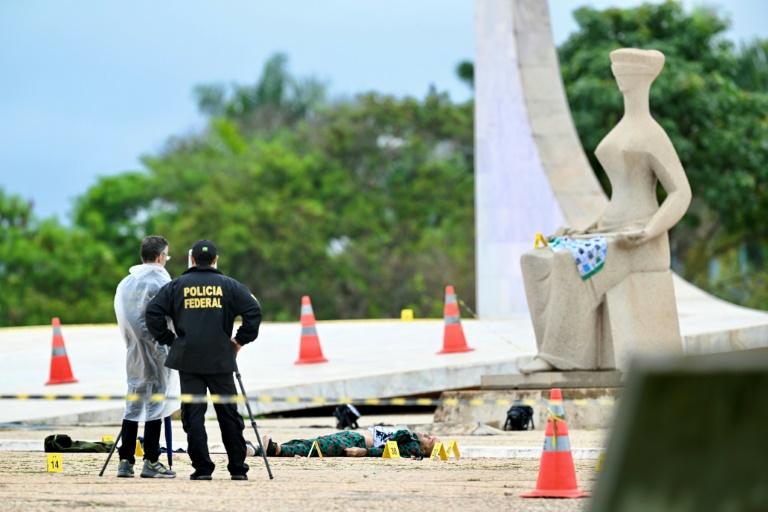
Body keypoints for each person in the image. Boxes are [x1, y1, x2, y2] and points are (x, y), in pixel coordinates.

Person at [519, 48, 692, 373]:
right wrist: (586, 228)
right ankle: (559, 347)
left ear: (644, 78)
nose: (621, 77)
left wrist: (649, 231)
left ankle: (559, 356)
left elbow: (681, 192)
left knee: (570, 262)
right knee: (534, 259)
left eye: (627, 71)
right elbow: (617, 197)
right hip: (608, 231)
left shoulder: (653, 134)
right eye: (618, 71)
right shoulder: (620, 129)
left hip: (639, 242)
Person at [146, 239, 262, 481]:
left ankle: (202, 469)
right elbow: (253, 311)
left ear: (193, 259)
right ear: (215, 260)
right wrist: (238, 341)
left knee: (194, 415)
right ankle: (238, 469)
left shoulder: (177, 286)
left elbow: (153, 312)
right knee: (228, 414)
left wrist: (170, 340)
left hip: (188, 361)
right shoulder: (229, 286)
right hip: (221, 360)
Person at [113, 235, 178, 478]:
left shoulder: (126, 283)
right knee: (156, 406)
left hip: (133, 352)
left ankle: (125, 461)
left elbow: (123, 319)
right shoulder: (162, 281)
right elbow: (172, 317)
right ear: (160, 256)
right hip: (159, 351)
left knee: (133, 404)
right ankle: (151, 461)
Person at [252, 426, 439, 459]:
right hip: (351, 437)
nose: (428, 435)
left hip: (355, 441)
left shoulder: (412, 445)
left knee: (315, 447)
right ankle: (256, 450)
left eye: (430, 439)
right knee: (312, 444)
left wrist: (364, 452)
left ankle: (274, 450)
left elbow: (387, 451)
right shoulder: (411, 441)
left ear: (423, 449)